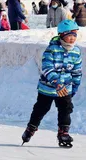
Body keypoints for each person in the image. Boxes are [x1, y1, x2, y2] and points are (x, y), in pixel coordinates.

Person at [21, 20, 81, 148]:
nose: (72, 38)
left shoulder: (76, 52)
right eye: (69, 35)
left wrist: (74, 87)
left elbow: (77, 72)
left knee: (66, 109)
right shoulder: (51, 50)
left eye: (75, 35)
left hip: (65, 89)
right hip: (47, 89)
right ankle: (31, 128)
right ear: (61, 35)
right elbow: (47, 69)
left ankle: (63, 132)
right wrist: (57, 83)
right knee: (41, 109)